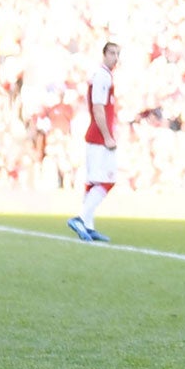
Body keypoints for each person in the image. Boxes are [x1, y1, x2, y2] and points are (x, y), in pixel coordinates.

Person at [67, 42, 119, 244]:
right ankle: (80, 219)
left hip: (96, 135)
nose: (115, 57)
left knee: (94, 181)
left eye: (117, 54)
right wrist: (107, 135)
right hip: (99, 137)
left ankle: (88, 225)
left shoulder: (103, 76)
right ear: (104, 54)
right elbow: (98, 108)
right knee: (107, 179)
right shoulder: (102, 77)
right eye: (112, 53)